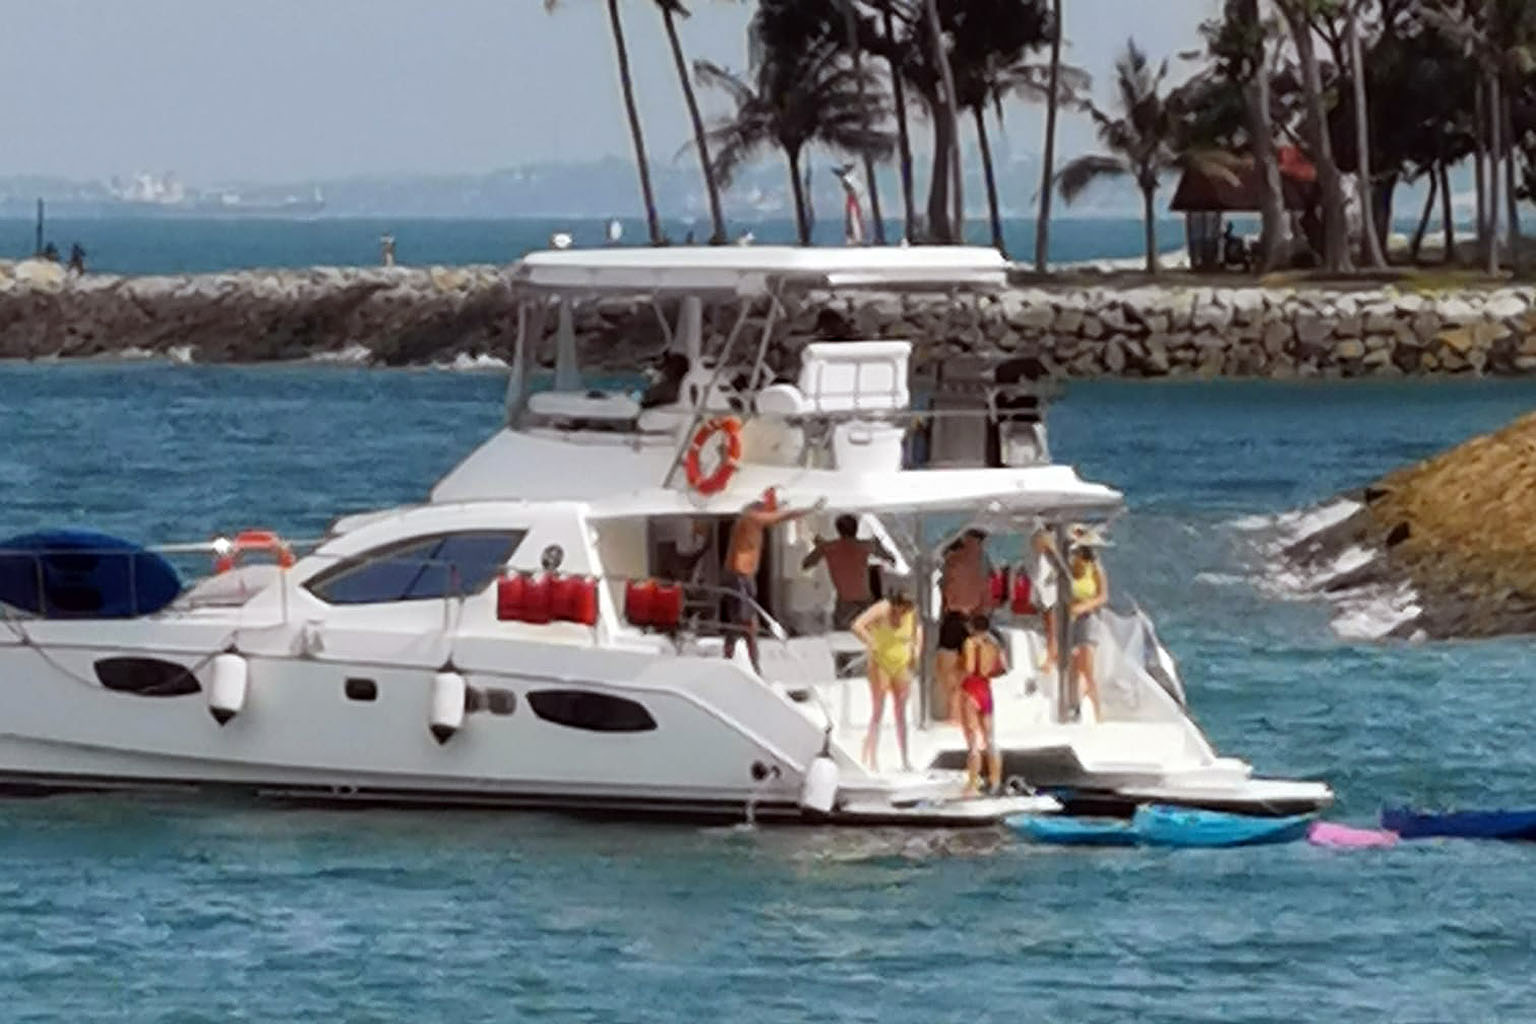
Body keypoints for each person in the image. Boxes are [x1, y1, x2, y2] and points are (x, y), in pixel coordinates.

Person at [722, 488, 823, 674]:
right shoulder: (751, 517)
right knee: (747, 623)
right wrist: (808, 509)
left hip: (744, 576)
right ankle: (750, 665)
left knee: (740, 622)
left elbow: (776, 515)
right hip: (740, 576)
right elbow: (778, 517)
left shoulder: (750, 518)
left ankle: (738, 661)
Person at [850, 591, 920, 773]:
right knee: (878, 711)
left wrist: (915, 650)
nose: (901, 615)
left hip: (901, 662)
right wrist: (871, 642)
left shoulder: (911, 612)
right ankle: (872, 759)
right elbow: (857, 625)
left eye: (905, 612)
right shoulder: (882, 609)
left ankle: (905, 759)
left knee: (901, 712)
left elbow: (917, 631)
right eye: (899, 611)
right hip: (880, 662)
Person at [802, 514, 896, 629]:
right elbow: (890, 558)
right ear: (856, 529)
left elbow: (806, 564)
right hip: (865, 601)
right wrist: (879, 545)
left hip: (844, 603)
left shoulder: (829, 548)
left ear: (838, 530)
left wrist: (821, 547)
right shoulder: (864, 546)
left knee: (841, 634)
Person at [936, 529, 992, 721]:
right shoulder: (981, 567)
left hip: (954, 618)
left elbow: (947, 595)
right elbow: (986, 600)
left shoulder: (953, 561)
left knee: (949, 670)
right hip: (973, 621)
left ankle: (954, 713)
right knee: (967, 672)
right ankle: (961, 714)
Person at [1067, 527, 1110, 722]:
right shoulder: (1068, 566)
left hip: (1088, 617)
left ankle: (1096, 711)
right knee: (1074, 666)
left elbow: (1102, 596)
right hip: (1070, 619)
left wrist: (1083, 607)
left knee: (1086, 666)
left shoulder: (1095, 568)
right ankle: (1076, 706)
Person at [959, 614, 1004, 795]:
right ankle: (995, 780)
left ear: (971, 627)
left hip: (971, 689)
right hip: (986, 689)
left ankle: (972, 784)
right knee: (990, 738)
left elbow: (969, 668)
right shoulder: (993, 644)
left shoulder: (970, 643)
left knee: (972, 740)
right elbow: (1000, 669)